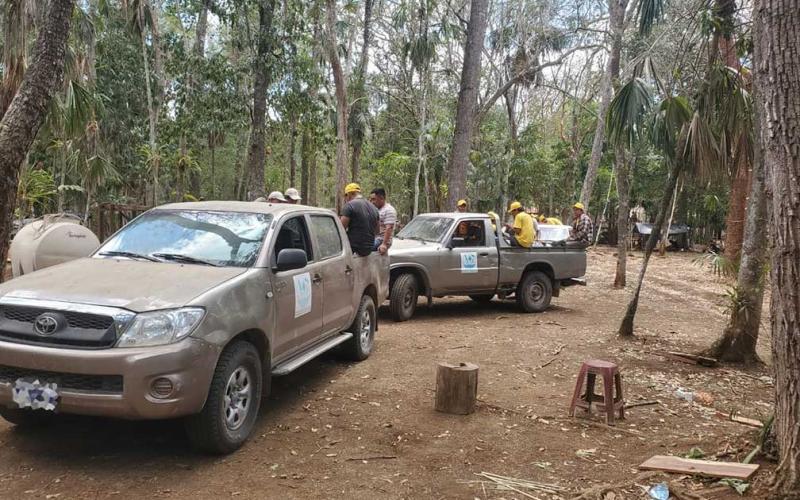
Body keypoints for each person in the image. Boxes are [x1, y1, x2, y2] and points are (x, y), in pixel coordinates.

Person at [341, 183, 379, 257]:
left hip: (354, 248)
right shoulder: (374, 208)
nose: (345, 198)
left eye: (345, 195)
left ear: (349, 194)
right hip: (369, 248)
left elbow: (341, 229)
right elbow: (377, 231)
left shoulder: (349, 205)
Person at [369, 187, 397, 255]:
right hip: (375, 238)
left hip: (381, 240)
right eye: (371, 199)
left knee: (364, 248)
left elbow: (389, 228)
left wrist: (384, 244)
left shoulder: (389, 210)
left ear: (381, 198)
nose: (371, 202)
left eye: (373, 199)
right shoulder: (377, 210)